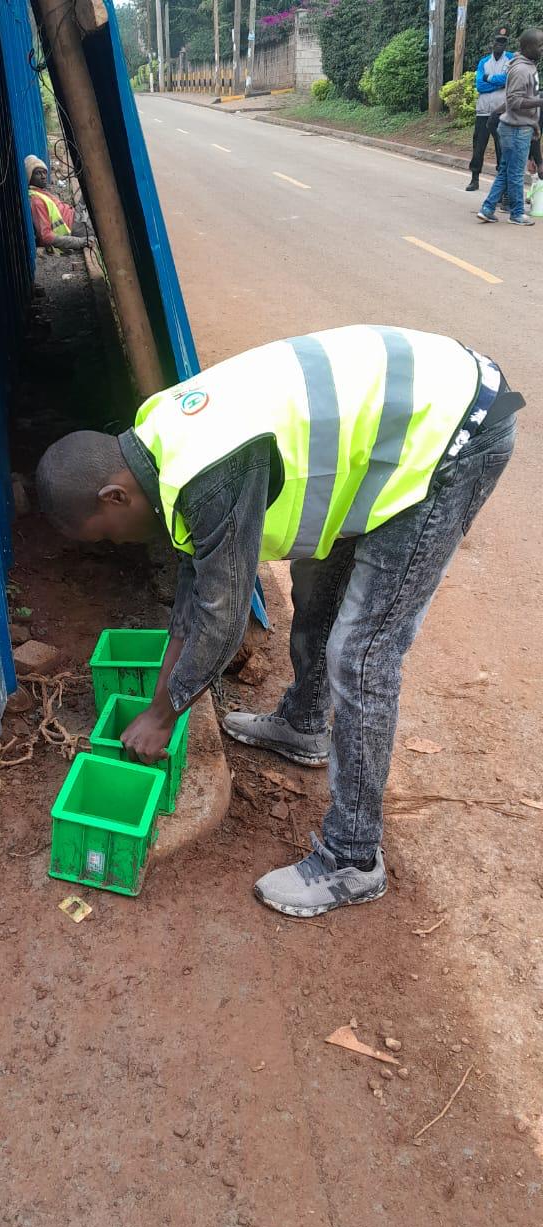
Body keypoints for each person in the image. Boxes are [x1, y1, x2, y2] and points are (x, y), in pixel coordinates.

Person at [36, 327, 523, 920]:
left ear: (114, 497)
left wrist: (164, 716)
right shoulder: (156, 439)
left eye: (108, 535)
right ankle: (304, 724)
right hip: (390, 437)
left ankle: (353, 858)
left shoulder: (204, 473)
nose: (118, 544)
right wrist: (163, 699)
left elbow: (222, 617)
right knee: (316, 582)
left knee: (363, 652)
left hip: (452, 435)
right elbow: (196, 591)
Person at [478, 28, 543, 226]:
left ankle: (487, 208)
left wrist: (534, 123)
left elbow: (512, 99)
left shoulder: (526, 66)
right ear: (528, 47)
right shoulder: (522, 69)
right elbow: (514, 101)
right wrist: (540, 102)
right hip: (516, 129)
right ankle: (516, 213)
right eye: (540, 46)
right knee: (514, 173)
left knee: (506, 170)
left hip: (518, 126)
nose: (542, 49)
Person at [466, 26, 513, 192]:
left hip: (502, 112)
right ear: (492, 43)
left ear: (506, 43)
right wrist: (498, 83)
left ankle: (502, 186)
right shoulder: (483, 62)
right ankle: (474, 178)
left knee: (502, 147)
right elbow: (479, 85)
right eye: (497, 41)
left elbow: (508, 80)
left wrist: (490, 79)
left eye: (503, 42)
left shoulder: (511, 59)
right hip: (483, 111)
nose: (499, 44)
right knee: (478, 146)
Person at [24, 154, 88, 252]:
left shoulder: (41, 193)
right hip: (76, 226)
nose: (43, 176)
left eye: (44, 172)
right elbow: (46, 236)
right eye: (38, 173)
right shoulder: (36, 201)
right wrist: (80, 242)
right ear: (29, 177)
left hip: (77, 216)